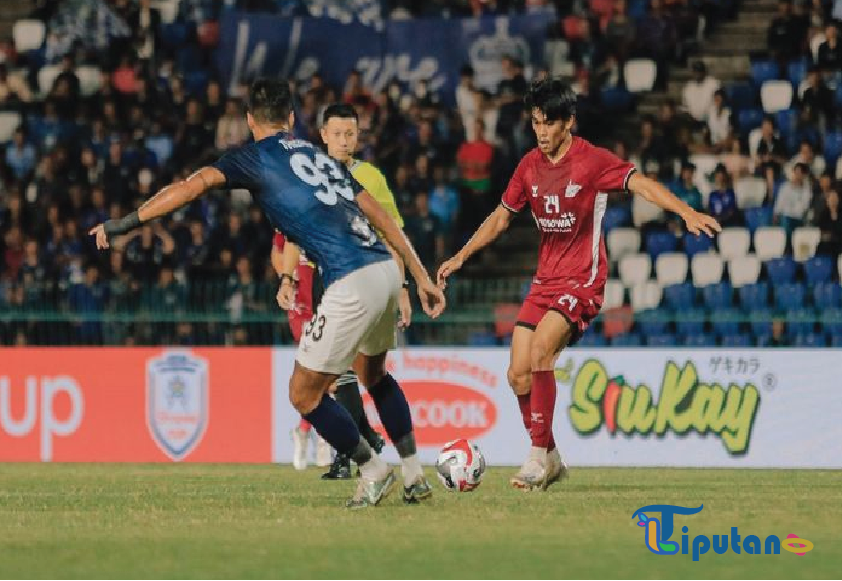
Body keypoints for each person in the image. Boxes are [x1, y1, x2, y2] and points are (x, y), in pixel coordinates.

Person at [91, 79, 446, 508]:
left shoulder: (254, 158)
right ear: (292, 118)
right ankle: (414, 476)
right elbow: (379, 215)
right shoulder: (317, 154)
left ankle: (373, 470)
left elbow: (189, 187)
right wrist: (419, 276)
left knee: (303, 394)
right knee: (375, 376)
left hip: (350, 278)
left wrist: (125, 223)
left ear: (248, 120)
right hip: (385, 271)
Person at [437, 79, 720, 491]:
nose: (542, 132)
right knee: (517, 375)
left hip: (582, 280)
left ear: (569, 122)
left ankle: (535, 458)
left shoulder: (592, 161)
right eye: (536, 123)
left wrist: (685, 211)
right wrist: (461, 256)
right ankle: (551, 456)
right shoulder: (529, 165)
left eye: (550, 124)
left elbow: (640, 182)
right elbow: (501, 217)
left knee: (540, 351)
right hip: (544, 281)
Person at [278, 102, 406, 480]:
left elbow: (393, 233)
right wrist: (288, 279)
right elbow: (293, 237)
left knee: (362, 372)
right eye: (337, 134)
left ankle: (358, 446)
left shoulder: (371, 178)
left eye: (350, 134)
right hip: (325, 280)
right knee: (335, 375)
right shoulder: (307, 176)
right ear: (323, 136)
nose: (344, 141)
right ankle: (355, 447)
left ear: (358, 136)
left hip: (366, 277)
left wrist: (402, 288)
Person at [270, 232, 335, 472]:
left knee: (328, 375)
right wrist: (287, 278)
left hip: (326, 300)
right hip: (302, 307)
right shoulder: (289, 215)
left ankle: (306, 431)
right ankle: (321, 438)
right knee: (321, 372)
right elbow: (277, 252)